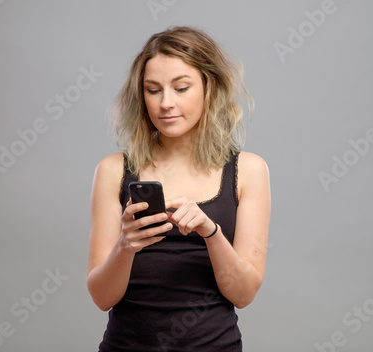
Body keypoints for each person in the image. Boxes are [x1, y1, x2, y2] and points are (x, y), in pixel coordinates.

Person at [87, 26, 271, 351]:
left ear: (208, 87)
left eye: (181, 88)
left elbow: (243, 295)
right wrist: (126, 246)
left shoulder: (248, 171)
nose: (166, 103)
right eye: (153, 90)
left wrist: (210, 232)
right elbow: (102, 298)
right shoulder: (112, 170)